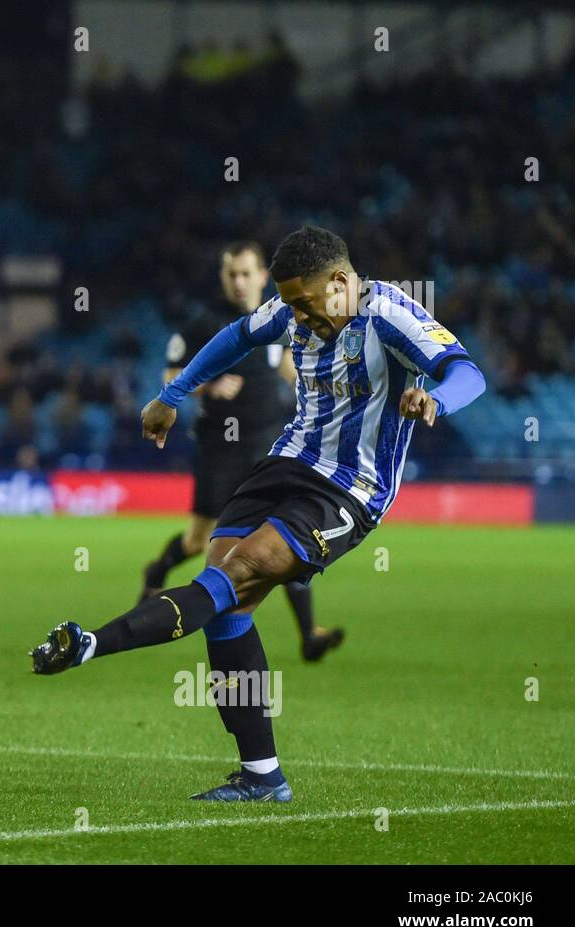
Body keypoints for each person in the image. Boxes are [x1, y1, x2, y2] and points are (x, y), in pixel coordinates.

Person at [30, 225, 486, 802]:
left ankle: (92, 643)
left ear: (341, 283)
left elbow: (468, 372)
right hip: (284, 464)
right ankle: (263, 776)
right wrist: (171, 397)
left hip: (349, 489)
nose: (294, 317)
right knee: (225, 606)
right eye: (289, 304)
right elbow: (235, 337)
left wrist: (436, 398)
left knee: (237, 572)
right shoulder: (295, 307)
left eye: (304, 303)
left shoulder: (392, 315)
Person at [143, 241, 344, 661]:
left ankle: (309, 633)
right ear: (223, 277)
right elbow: (171, 374)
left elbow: (291, 370)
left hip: (270, 448)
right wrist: (210, 385)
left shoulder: (283, 317)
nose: (239, 282)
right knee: (199, 541)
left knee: (283, 536)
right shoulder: (205, 323)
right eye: (231, 273)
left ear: (261, 277)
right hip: (219, 449)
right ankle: (157, 572)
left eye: (246, 273)